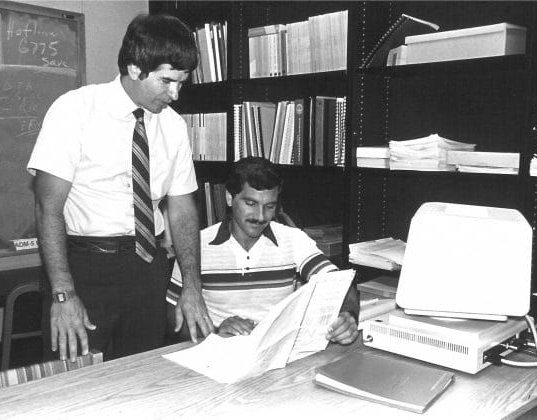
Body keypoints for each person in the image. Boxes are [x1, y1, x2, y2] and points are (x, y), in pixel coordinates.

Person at [27, 14, 214, 362]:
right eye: (167, 81)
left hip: (147, 269)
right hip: (84, 270)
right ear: (133, 68)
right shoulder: (75, 110)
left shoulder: (172, 127)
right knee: (76, 388)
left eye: (182, 82)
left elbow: (183, 209)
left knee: (141, 381)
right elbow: (47, 208)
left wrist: (192, 285)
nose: (175, 94)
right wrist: (63, 295)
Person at [166, 157, 359, 344]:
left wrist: (349, 316)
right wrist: (216, 333)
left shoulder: (292, 239)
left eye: (269, 206)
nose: (260, 216)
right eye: (250, 204)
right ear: (229, 198)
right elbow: (175, 323)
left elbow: (341, 286)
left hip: (274, 352)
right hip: (215, 355)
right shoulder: (195, 246)